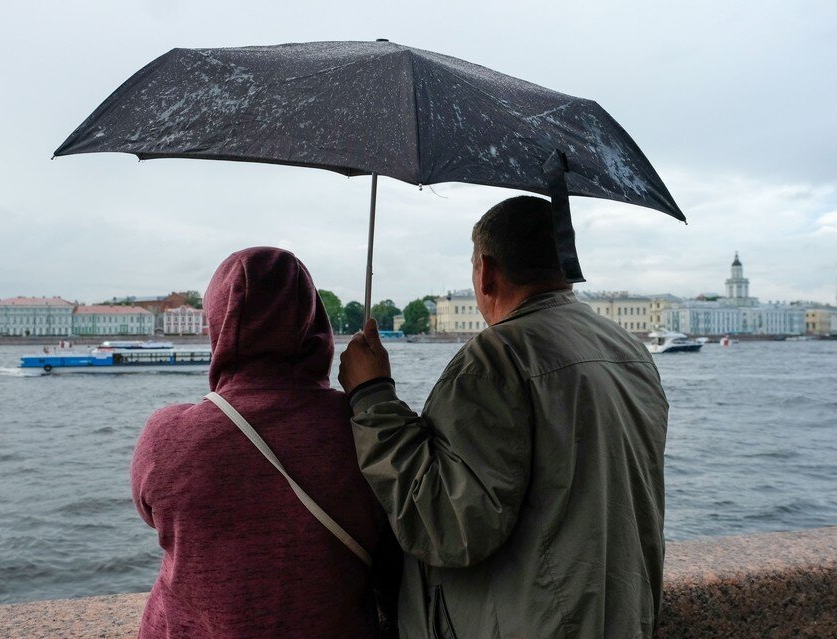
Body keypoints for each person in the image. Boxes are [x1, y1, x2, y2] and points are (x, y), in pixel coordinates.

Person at [339, 196, 669, 638]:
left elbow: (451, 524)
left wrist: (371, 394)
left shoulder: (498, 357)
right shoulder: (627, 349)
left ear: (486, 272)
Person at [132, 247, 399, 639]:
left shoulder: (167, 434)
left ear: (217, 324)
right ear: (314, 324)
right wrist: (376, 392)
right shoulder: (367, 429)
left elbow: (156, 517)